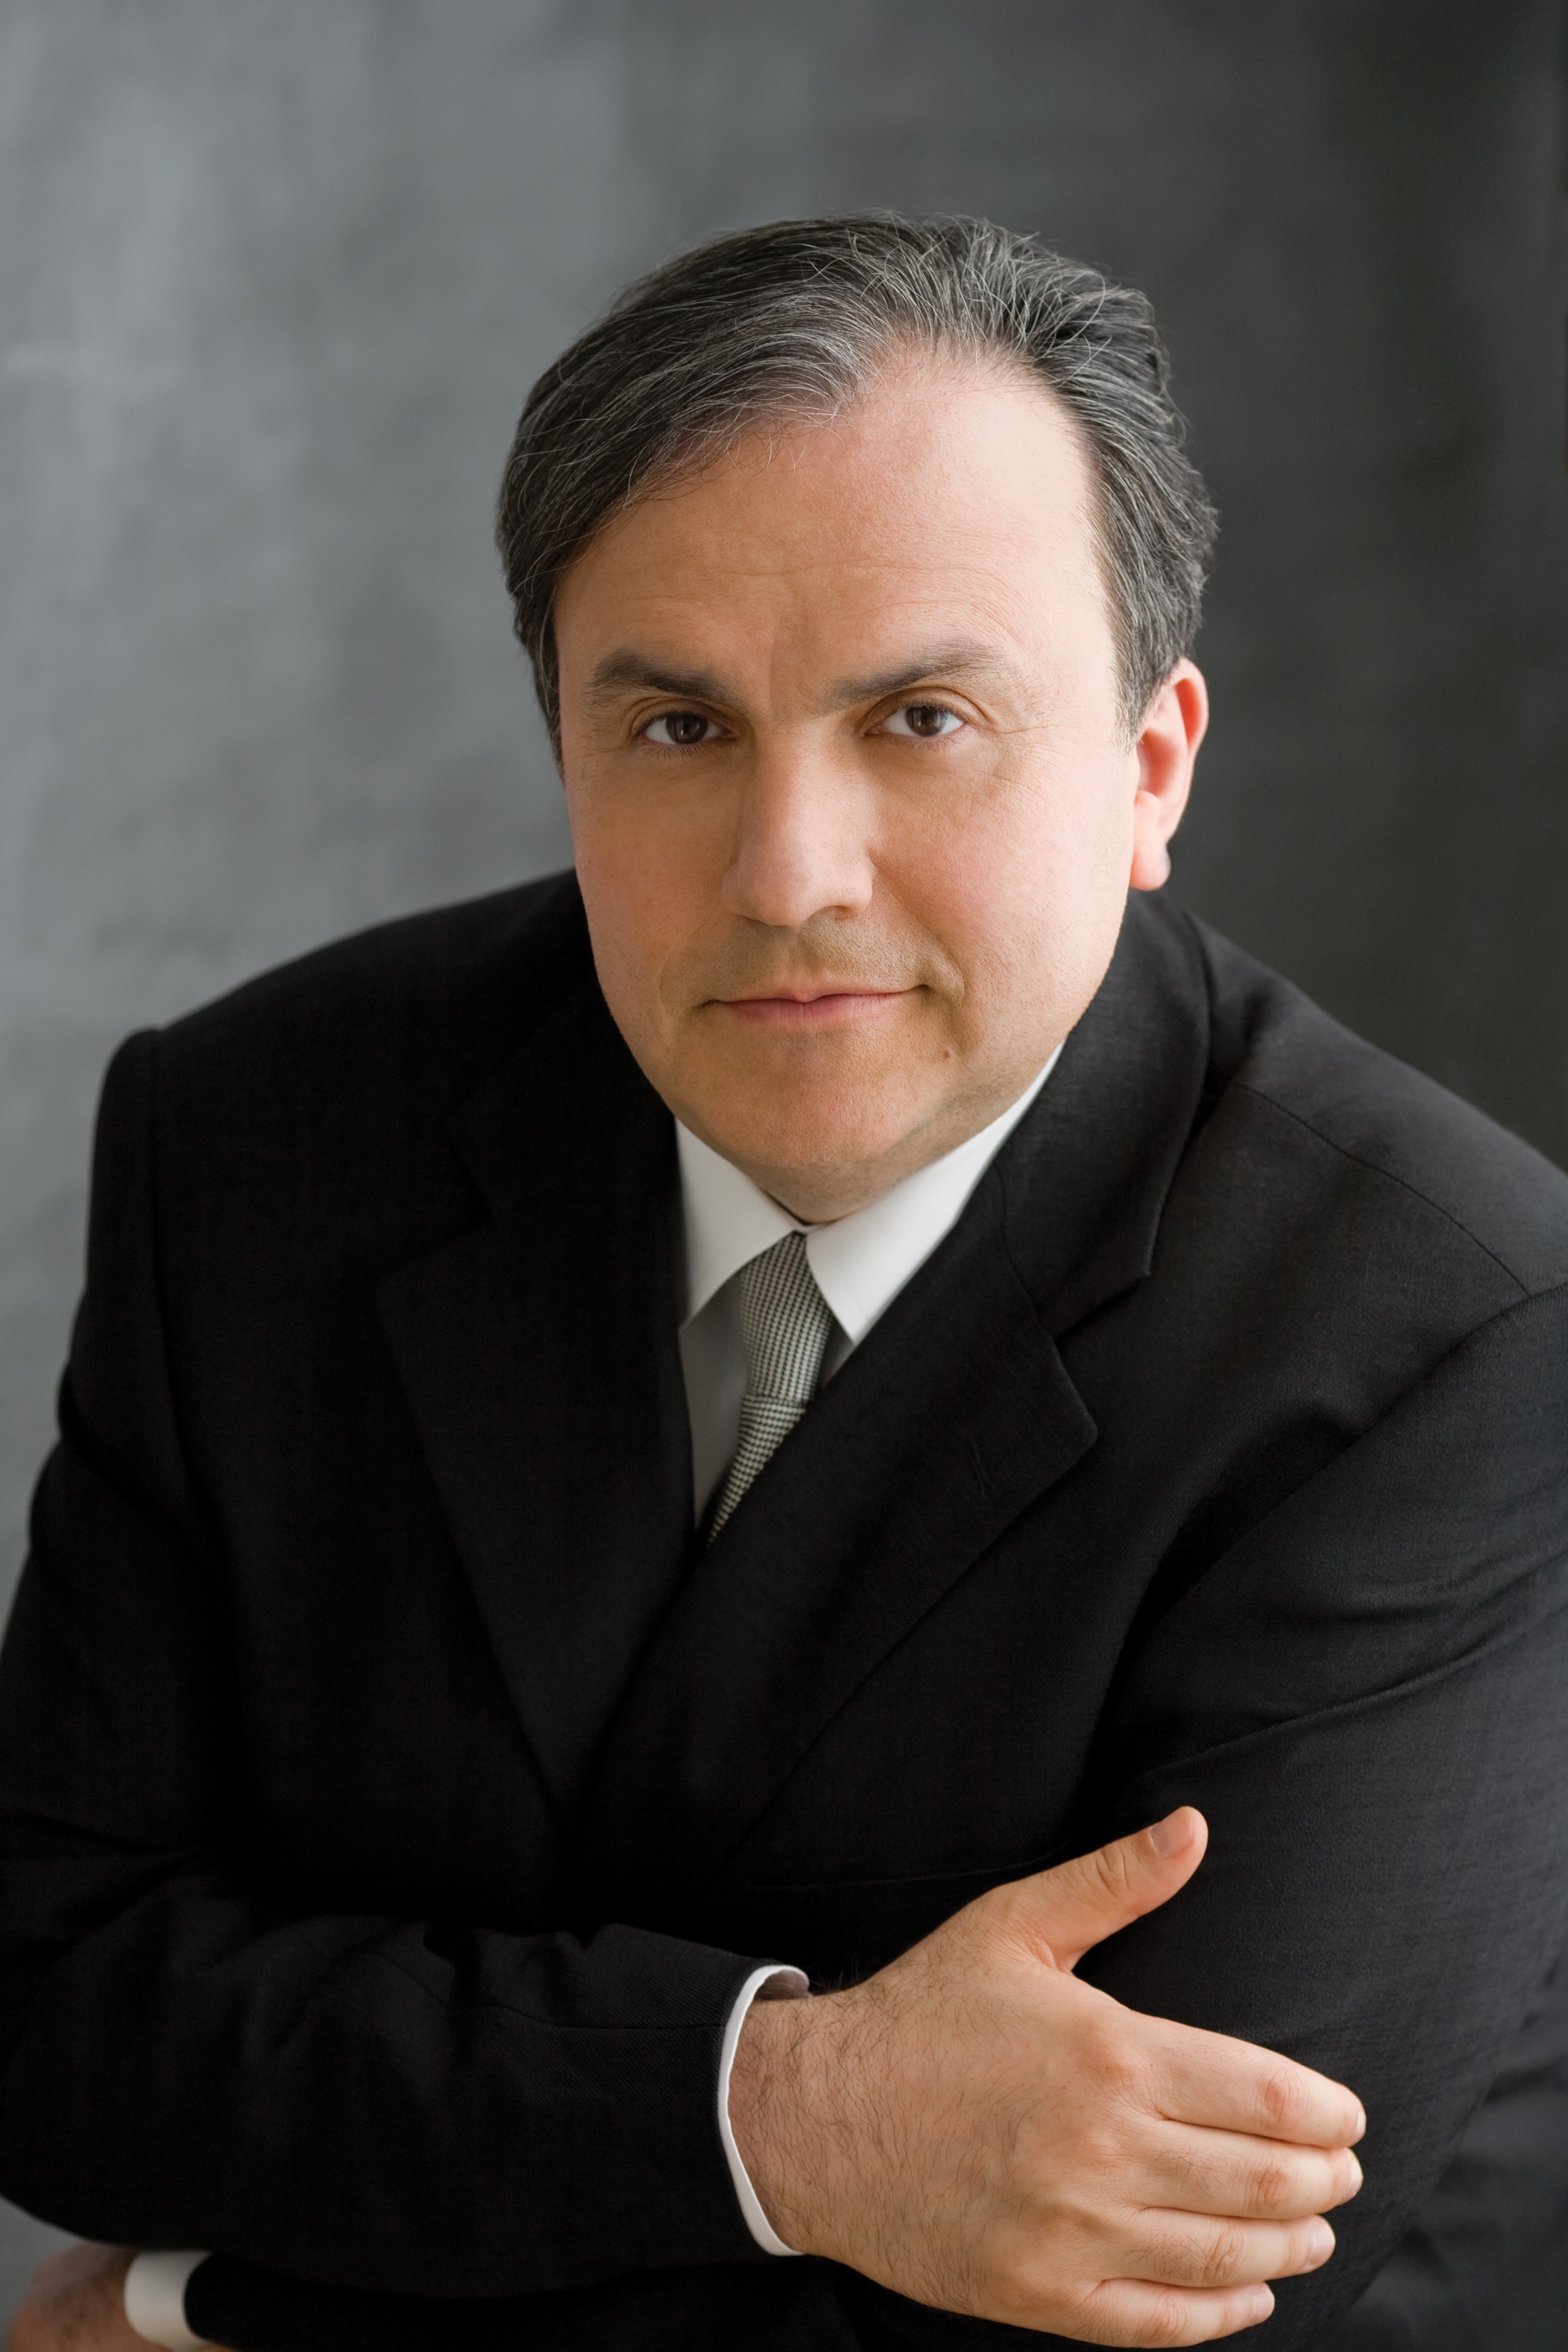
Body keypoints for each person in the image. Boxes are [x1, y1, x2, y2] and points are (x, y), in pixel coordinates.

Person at [1, 215, 1565, 2352]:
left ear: (1151, 767)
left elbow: (1168, 2299)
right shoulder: (259, 1143)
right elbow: (52, 2010)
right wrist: (784, 2114)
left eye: (921, 716)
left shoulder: (1452, 1337)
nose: (789, 873)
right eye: (677, 728)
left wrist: (218, 2317)